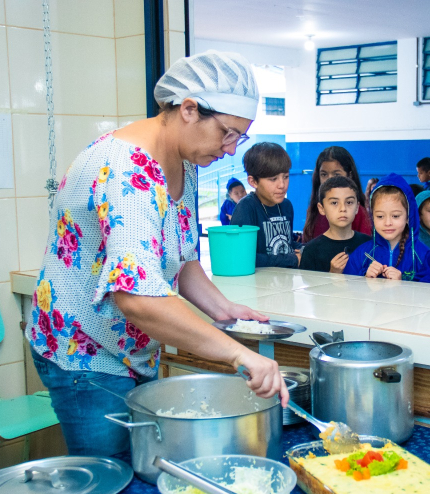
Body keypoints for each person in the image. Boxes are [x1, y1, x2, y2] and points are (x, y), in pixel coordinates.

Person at [24, 51, 288, 457]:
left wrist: (224, 309)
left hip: (132, 348)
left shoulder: (186, 161)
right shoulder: (128, 171)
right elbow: (136, 297)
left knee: (143, 464)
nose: (232, 149)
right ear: (188, 109)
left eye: (240, 136)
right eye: (228, 133)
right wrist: (237, 354)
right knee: (111, 483)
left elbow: (181, 261)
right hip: (85, 352)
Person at [344, 173, 429, 281]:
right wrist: (365, 279)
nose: (387, 222)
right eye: (380, 216)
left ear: (408, 217)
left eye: (395, 216)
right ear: (372, 217)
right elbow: (348, 289)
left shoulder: (423, 256)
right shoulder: (362, 254)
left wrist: (403, 283)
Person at [231, 142, 301, 268]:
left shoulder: (286, 206)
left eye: (285, 177)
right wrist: (291, 260)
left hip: (285, 281)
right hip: (258, 284)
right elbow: (241, 256)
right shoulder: (246, 208)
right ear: (253, 181)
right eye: (273, 179)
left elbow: (287, 243)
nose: (282, 185)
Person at [299, 176, 372, 273]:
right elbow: (309, 287)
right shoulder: (311, 250)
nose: (343, 208)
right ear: (321, 208)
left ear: (357, 207)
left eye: (349, 202)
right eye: (334, 203)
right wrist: (332, 275)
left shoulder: (369, 244)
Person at [302, 146, 372, 242]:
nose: (330, 180)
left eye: (337, 174)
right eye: (324, 174)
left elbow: (366, 248)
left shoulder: (356, 211)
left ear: (349, 175)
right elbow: (307, 246)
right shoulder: (314, 210)